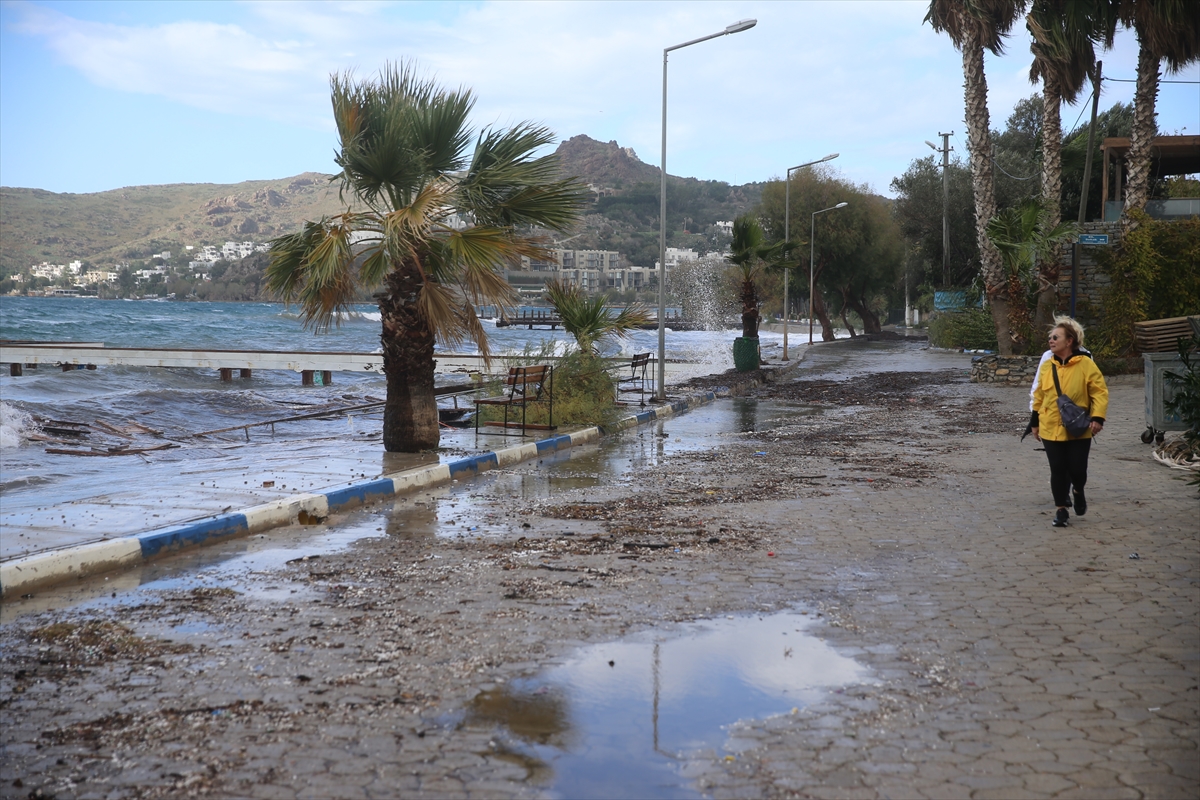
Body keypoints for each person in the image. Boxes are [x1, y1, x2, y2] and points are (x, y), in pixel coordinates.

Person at [1030, 316, 1109, 527]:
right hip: (1050, 425)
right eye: (1050, 337)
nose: (1051, 341)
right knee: (1057, 468)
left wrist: (1098, 417)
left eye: (1056, 337)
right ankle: (1061, 510)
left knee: (1076, 469)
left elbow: (1099, 392)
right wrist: (1034, 422)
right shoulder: (1047, 366)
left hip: (1078, 426)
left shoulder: (1085, 364)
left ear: (1069, 341)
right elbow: (1039, 396)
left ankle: (1078, 490)